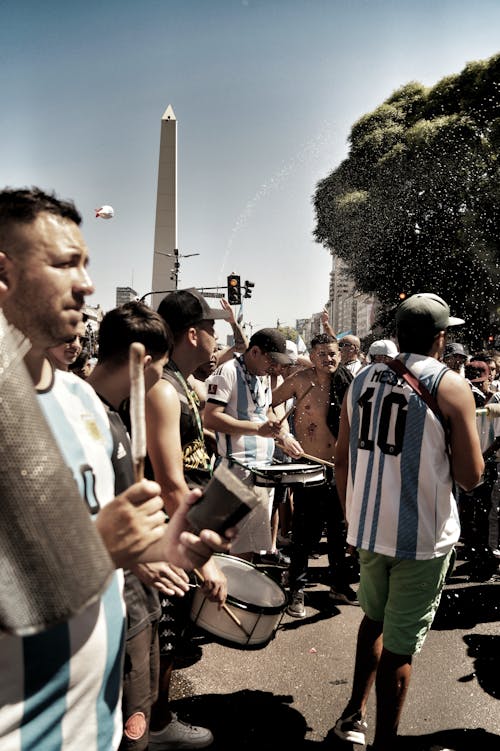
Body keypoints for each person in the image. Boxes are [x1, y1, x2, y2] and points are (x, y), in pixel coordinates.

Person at [0, 187, 233, 750]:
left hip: (94, 727)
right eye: (63, 264)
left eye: (86, 264)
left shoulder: (83, 407)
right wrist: (97, 552)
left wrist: (163, 550)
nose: (87, 285)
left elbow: (114, 528)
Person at [332, 292, 484, 750]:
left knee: (373, 619)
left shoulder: (360, 379)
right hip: (421, 538)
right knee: (400, 645)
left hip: (367, 529)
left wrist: (351, 514)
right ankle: (384, 744)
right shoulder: (450, 385)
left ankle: (351, 715)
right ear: (441, 338)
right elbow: (471, 477)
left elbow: (341, 460)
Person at [87, 300, 195, 751]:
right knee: (127, 734)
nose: (161, 380)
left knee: (138, 720)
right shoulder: (83, 416)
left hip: (133, 601)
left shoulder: (113, 412)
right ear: (141, 360)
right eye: (161, 367)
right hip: (112, 605)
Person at [144, 288, 234, 750]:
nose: (217, 337)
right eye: (213, 328)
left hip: (183, 527)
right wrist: (204, 559)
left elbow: (211, 420)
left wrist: (260, 430)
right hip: (169, 531)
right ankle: (154, 725)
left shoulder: (183, 381)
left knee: (172, 631)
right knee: (162, 631)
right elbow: (170, 482)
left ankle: (156, 719)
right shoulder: (161, 388)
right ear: (192, 334)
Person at [271, 333, 356, 618]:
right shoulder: (299, 380)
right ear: (312, 354)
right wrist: (283, 436)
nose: (328, 359)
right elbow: (268, 406)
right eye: (321, 354)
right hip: (308, 466)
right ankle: (297, 588)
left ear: (340, 354)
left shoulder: (349, 382)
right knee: (304, 532)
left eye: (332, 354)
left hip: (340, 468)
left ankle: (338, 585)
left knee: (338, 531)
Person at [204, 328, 303, 560]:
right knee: (232, 548)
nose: (276, 368)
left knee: (249, 548)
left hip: (261, 472)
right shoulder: (227, 372)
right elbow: (210, 418)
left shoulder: (262, 376)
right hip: (235, 471)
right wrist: (257, 429)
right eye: (272, 360)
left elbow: (265, 412)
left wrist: (284, 437)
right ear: (255, 352)